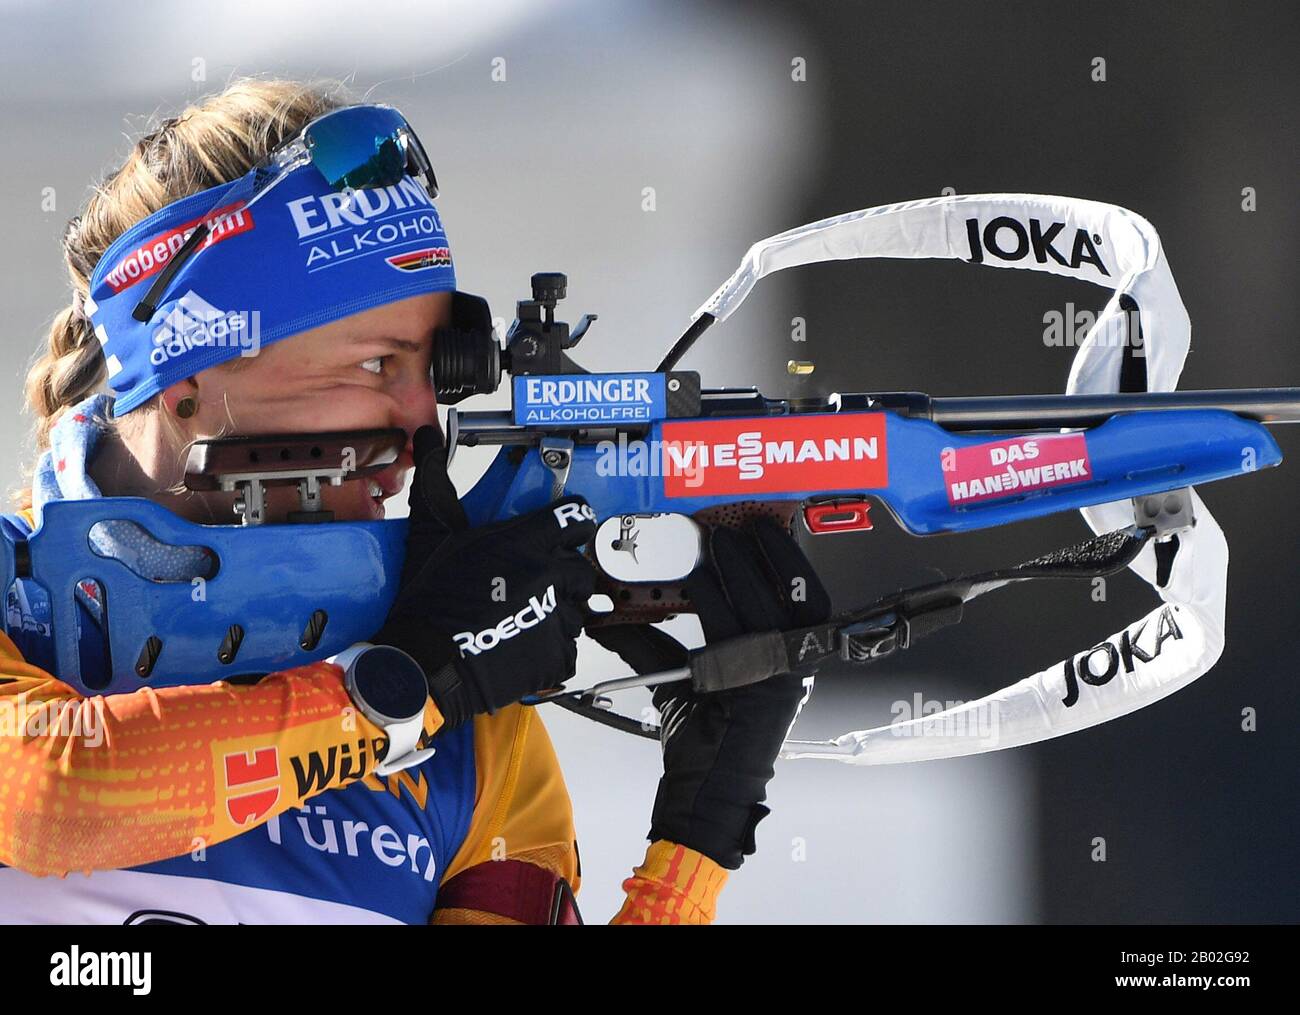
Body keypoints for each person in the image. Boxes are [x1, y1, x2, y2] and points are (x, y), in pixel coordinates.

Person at [0, 78, 829, 925]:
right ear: (186, 379)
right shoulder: (14, 606)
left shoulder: (477, 735)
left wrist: (695, 843)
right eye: (374, 365)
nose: (420, 421)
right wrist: (408, 684)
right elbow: (54, 795)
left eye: (429, 371)